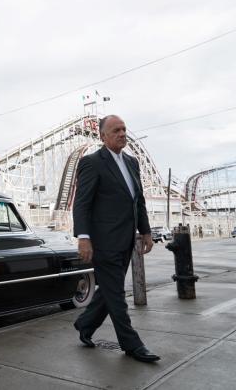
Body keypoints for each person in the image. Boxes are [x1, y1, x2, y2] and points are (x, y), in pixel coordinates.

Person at [72, 115, 160, 363]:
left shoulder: (132, 162)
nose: (123, 134)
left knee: (108, 292)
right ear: (103, 136)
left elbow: (138, 200)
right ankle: (132, 345)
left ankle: (85, 325)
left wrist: (146, 231)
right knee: (117, 296)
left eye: (124, 129)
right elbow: (82, 204)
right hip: (103, 242)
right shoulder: (92, 163)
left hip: (126, 240)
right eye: (116, 130)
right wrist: (84, 237)